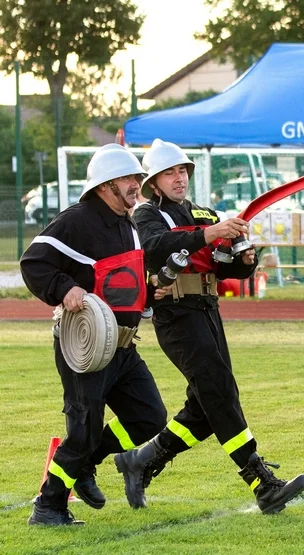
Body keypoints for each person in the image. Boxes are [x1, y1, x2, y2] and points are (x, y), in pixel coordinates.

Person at [117, 139, 304, 514]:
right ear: (153, 183)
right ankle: (260, 481)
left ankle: (140, 461)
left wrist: (244, 260)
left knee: (208, 404)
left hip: (207, 308)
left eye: (182, 171)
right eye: (169, 173)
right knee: (219, 392)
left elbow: (225, 267)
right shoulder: (147, 215)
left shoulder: (203, 212)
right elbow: (156, 247)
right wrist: (211, 233)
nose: (179, 179)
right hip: (174, 313)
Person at [20, 144, 169, 525]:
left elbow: (123, 283)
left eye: (137, 178)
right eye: (129, 178)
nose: (137, 184)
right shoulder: (77, 220)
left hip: (122, 347)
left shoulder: (128, 222)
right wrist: (64, 288)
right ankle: (49, 506)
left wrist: (151, 293)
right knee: (83, 429)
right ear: (105, 185)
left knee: (149, 417)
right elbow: (34, 262)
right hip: (86, 346)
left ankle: (86, 463)